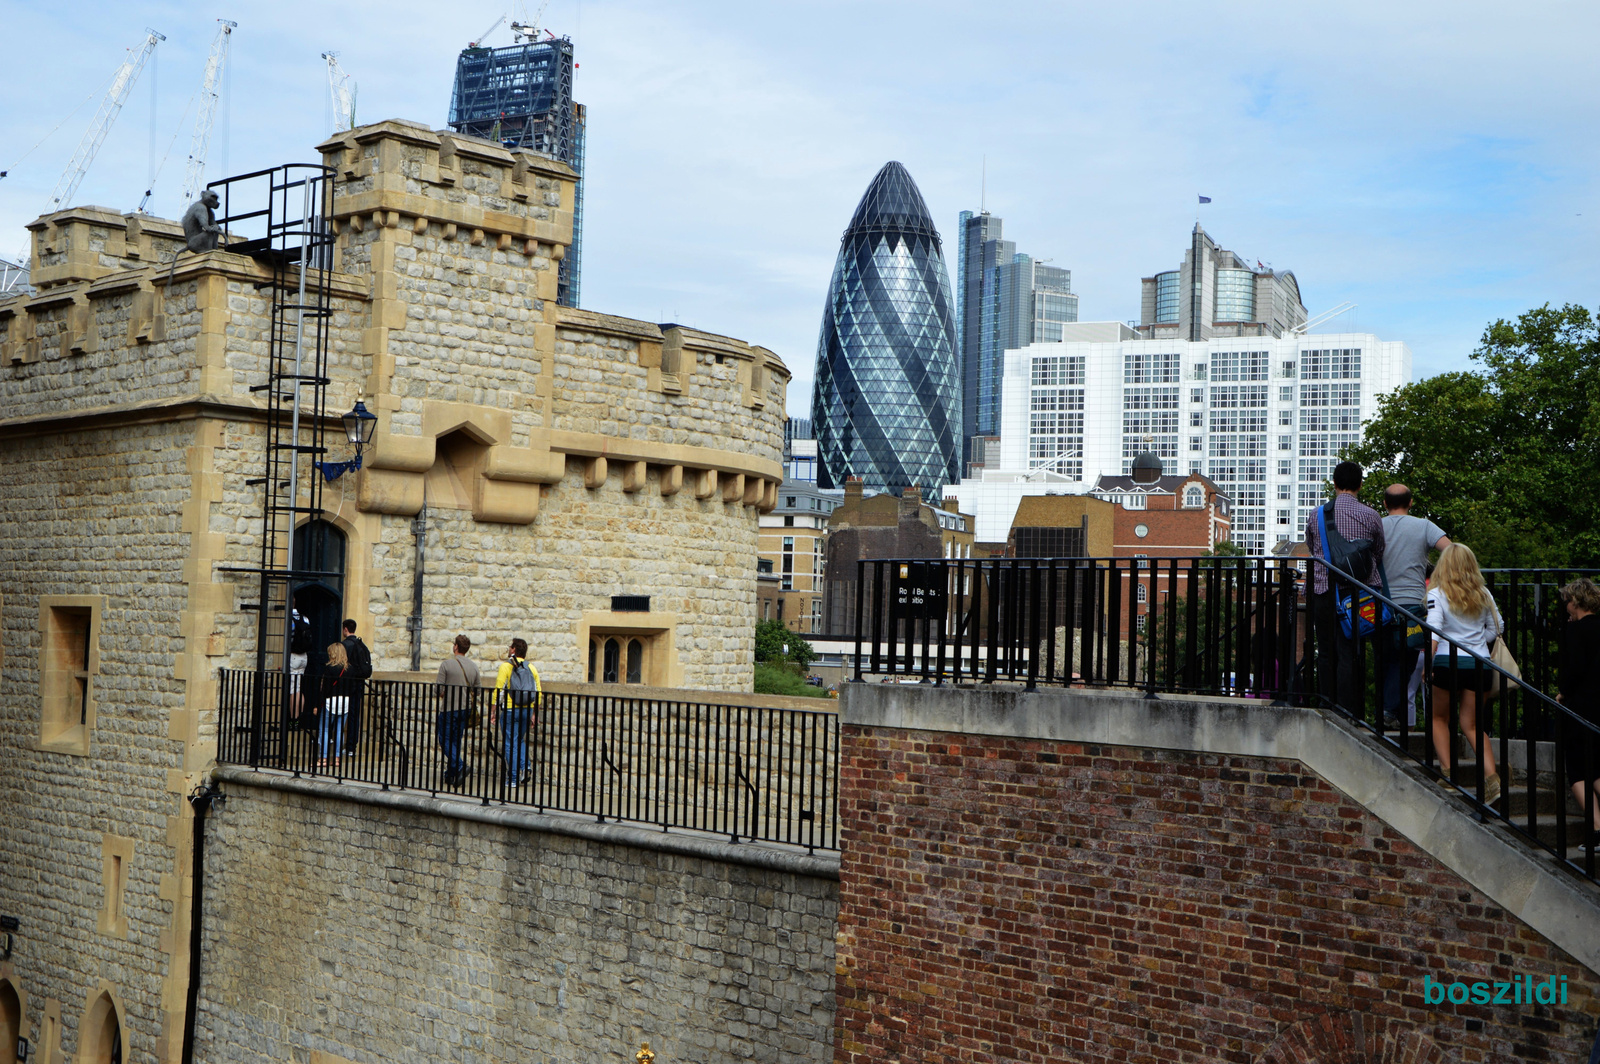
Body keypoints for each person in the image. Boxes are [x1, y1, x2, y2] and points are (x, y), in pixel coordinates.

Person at [1305, 460, 1385, 716]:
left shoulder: (1316, 515)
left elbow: (1312, 547)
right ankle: (1349, 710)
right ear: (1360, 485)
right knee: (1352, 651)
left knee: (1326, 651)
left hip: (1324, 590)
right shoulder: (1371, 515)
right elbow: (1378, 552)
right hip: (1360, 594)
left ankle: (1326, 705)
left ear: (1335, 483)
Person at [1427, 544, 1503, 804]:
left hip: (1447, 661)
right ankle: (1493, 781)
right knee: (1472, 725)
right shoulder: (1483, 593)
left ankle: (1449, 776)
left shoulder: (1437, 593)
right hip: (1479, 663)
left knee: (1439, 718)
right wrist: (1478, 642)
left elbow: (1434, 629)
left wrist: (1429, 661)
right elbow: (1497, 628)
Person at [1380, 485, 1451, 727]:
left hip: (1380, 602)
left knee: (1384, 657)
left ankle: (1387, 713)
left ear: (1385, 503)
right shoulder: (1423, 526)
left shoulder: (1376, 525)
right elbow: (1451, 551)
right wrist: (1437, 580)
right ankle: (1390, 712)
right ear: (1410, 503)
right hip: (1412, 604)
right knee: (1406, 659)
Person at [1557, 578, 1600, 838]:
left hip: (1581, 707)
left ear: (1575, 602)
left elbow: (1573, 670)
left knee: (1577, 769)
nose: (1566, 607)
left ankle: (1597, 827)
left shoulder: (1575, 632)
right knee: (1599, 765)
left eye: (1567, 602)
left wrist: (1563, 693)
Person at [491, 638, 541, 789]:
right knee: (518, 740)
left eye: (510, 647)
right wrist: (534, 713)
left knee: (509, 742)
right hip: (527, 709)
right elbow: (538, 691)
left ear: (513, 650)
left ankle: (512, 778)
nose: (509, 649)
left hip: (510, 709)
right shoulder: (531, 667)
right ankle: (525, 767)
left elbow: (499, 690)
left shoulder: (506, 667)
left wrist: (493, 710)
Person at [436, 634, 481, 787]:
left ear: (456, 647)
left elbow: (438, 689)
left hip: (449, 708)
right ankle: (451, 774)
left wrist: (443, 693)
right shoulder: (473, 666)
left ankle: (460, 765)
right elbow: (478, 691)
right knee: (455, 740)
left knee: (444, 739)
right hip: (465, 709)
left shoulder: (446, 665)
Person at [316, 642, 353, 772]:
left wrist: (318, 704)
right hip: (345, 701)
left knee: (325, 729)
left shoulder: (329, 668)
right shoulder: (349, 669)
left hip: (331, 701)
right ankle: (337, 758)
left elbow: (324, 689)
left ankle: (324, 758)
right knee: (339, 730)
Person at [340, 619, 373, 754]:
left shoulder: (344, 646)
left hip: (346, 685)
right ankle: (351, 747)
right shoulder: (362, 645)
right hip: (358, 684)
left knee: (339, 714)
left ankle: (334, 742)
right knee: (354, 715)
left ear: (345, 629)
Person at [288, 626, 312, 729]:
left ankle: (294, 719)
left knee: (293, 690)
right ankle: (300, 717)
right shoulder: (305, 619)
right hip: (304, 656)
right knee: (299, 688)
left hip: (294, 655)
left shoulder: (291, 619)